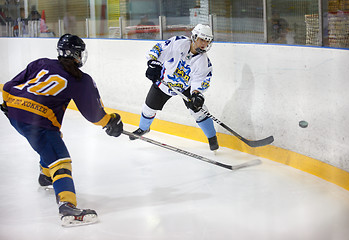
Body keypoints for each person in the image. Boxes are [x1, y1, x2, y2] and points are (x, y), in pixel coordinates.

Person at [0, 34, 123, 226]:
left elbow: (8, 86)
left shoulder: (41, 63)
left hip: (15, 113)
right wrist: (110, 121)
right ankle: (67, 207)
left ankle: (45, 175)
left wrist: (9, 103)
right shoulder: (80, 79)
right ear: (76, 54)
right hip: (37, 123)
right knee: (60, 159)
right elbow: (94, 114)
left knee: (51, 139)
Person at [130, 23, 219, 151]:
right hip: (165, 81)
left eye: (207, 41)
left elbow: (200, 80)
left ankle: (212, 138)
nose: (204, 44)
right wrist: (153, 63)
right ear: (194, 37)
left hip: (185, 87)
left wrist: (196, 94)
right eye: (201, 39)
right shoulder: (178, 43)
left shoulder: (203, 62)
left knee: (198, 110)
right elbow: (159, 49)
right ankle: (143, 128)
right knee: (149, 107)